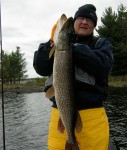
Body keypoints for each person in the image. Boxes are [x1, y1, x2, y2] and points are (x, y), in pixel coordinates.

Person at [33, 4, 113, 150]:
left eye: (89, 20)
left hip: (92, 117)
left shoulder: (101, 44)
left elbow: (103, 66)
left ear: (94, 25)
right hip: (60, 115)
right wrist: (51, 43)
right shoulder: (55, 46)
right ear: (75, 21)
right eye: (81, 18)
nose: (84, 22)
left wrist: (72, 47)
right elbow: (40, 67)